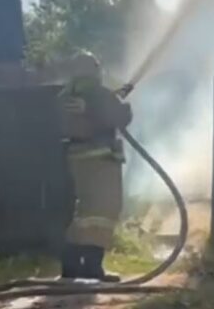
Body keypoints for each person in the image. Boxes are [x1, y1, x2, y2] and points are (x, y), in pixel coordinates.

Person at [57, 51, 134, 282]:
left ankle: (71, 267)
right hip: (101, 159)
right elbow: (119, 116)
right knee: (104, 211)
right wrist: (122, 105)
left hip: (78, 158)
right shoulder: (96, 92)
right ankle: (92, 267)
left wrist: (114, 97)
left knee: (86, 212)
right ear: (93, 69)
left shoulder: (66, 94)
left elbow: (93, 112)